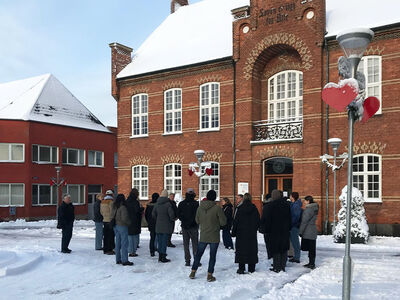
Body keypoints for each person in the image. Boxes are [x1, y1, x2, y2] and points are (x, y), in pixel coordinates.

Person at [189, 190, 226, 282]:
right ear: (214, 197)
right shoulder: (217, 208)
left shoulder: (200, 207)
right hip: (214, 235)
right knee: (212, 256)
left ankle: (193, 272)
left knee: (198, 255)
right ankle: (209, 275)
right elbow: (223, 222)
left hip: (203, 235)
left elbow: (197, 221)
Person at [263, 189, 291, 273]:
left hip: (274, 231)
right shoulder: (287, 205)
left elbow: (267, 219)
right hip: (285, 230)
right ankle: (282, 266)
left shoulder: (270, 206)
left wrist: (266, 229)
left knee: (276, 250)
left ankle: (276, 267)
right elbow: (289, 218)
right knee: (284, 249)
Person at [231, 193, 260, 274]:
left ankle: (241, 268)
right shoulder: (254, 208)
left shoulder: (240, 209)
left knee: (241, 250)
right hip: (251, 233)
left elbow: (236, 221)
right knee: (252, 249)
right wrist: (255, 228)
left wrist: (233, 232)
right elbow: (258, 220)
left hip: (241, 233)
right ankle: (251, 268)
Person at [152, 189, 176, 263]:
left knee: (159, 241)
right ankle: (163, 256)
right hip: (166, 226)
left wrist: (158, 219)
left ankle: (160, 256)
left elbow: (153, 214)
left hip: (158, 225)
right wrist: (172, 219)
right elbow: (171, 215)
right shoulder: (168, 204)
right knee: (164, 242)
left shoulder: (157, 204)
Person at [177, 188, 199, 266]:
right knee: (195, 244)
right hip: (193, 226)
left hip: (184, 226)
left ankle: (187, 260)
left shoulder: (181, 204)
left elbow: (178, 214)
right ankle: (196, 260)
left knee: (186, 244)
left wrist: (184, 221)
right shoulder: (196, 203)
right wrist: (193, 222)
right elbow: (197, 215)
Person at [111, 194, 133, 266]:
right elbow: (124, 218)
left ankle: (118, 259)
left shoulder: (114, 206)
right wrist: (129, 223)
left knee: (118, 243)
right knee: (124, 243)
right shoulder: (123, 207)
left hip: (115, 226)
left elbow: (111, 215)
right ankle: (125, 260)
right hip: (122, 226)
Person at [299, 195, 319, 269]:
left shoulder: (309, 209)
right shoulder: (315, 208)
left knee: (310, 248)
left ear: (308, 201)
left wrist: (300, 231)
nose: (304, 202)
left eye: (305, 201)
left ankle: (311, 263)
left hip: (308, 231)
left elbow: (304, 221)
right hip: (313, 230)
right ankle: (312, 262)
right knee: (312, 248)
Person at [126, 188, 143, 257]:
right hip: (135, 220)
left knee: (129, 236)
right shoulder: (135, 202)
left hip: (128, 220)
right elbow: (137, 211)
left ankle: (130, 250)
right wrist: (141, 209)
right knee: (135, 236)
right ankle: (133, 251)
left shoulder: (127, 201)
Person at [289, 192, 303, 263]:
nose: (289, 197)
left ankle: (297, 257)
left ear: (293, 197)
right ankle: (295, 256)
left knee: (295, 242)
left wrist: (291, 223)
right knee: (293, 241)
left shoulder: (296, 205)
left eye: (290, 196)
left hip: (294, 226)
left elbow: (296, 216)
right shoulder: (294, 204)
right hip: (293, 225)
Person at [101, 190, 115, 255]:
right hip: (110, 220)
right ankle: (109, 249)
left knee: (105, 235)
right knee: (110, 236)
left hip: (104, 220)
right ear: (112, 195)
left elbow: (101, 211)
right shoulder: (111, 202)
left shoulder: (102, 202)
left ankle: (105, 248)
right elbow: (112, 211)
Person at [145, 192, 159, 257]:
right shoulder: (158, 205)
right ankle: (158, 248)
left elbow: (146, 215)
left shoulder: (149, 205)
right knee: (159, 237)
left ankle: (152, 251)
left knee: (152, 237)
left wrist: (148, 222)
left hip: (151, 223)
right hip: (158, 223)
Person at [260, 193, 272, 259]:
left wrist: (261, 224)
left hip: (266, 227)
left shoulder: (265, 206)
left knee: (267, 242)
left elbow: (263, 218)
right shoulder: (273, 205)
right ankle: (272, 255)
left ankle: (269, 255)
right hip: (272, 227)